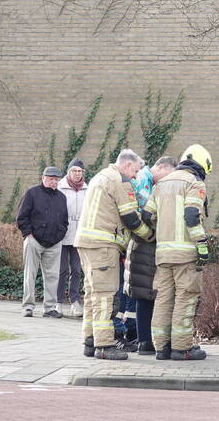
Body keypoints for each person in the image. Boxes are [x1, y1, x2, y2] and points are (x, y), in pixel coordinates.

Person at [75, 149, 152, 360]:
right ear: (127, 165)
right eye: (135, 171)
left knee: (91, 294)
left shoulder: (100, 176)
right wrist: (150, 236)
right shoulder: (120, 180)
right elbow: (131, 218)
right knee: (106, 296)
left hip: (86, 243)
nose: (136, 176)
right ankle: (104, 345)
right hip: (103, 246)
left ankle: (90, 341)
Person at [143, 144, 212, 361]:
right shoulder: (194, 183)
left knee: (164, 299)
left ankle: (161, 348)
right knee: (186, 297)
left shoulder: (161, 183)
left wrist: (160, 235)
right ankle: (182, 349)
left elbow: (147, 216)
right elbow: (192, 215)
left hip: (163, 255)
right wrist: (201, 244)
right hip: (185, 255)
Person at [126, 156, 176, 355]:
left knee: (145, 295)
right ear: (161, 167)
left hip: (142, 248)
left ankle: (145, 341)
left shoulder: (145, 181)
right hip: (146, 247)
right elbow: (146, 215)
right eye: (168, 175)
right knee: (146, 296)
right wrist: (155, 234)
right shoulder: (144, 183)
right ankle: (145, 341)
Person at [17, 166, 68, 318]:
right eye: (51, 179)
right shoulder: (32, 193)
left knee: (53, 276)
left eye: (56, 179)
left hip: (54, 242)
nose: (54, 182)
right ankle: (28, 307)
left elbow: (65, 220)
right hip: (34, 240)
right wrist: (28, 234)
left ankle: (50, 308)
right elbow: (21, 217)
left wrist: (60, 235)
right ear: (43, 178)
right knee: (30, 275)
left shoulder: (61, 197)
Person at [57, 158, 87, 318]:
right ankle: (58, 301)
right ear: (69, 172)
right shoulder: (61, 188)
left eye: (80, 171)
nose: (77, 174)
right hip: (63, 235)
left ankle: (75, 300)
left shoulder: (86, 189)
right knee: (62, 270)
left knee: (76, 270)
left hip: (79, 236)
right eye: (74, 170)